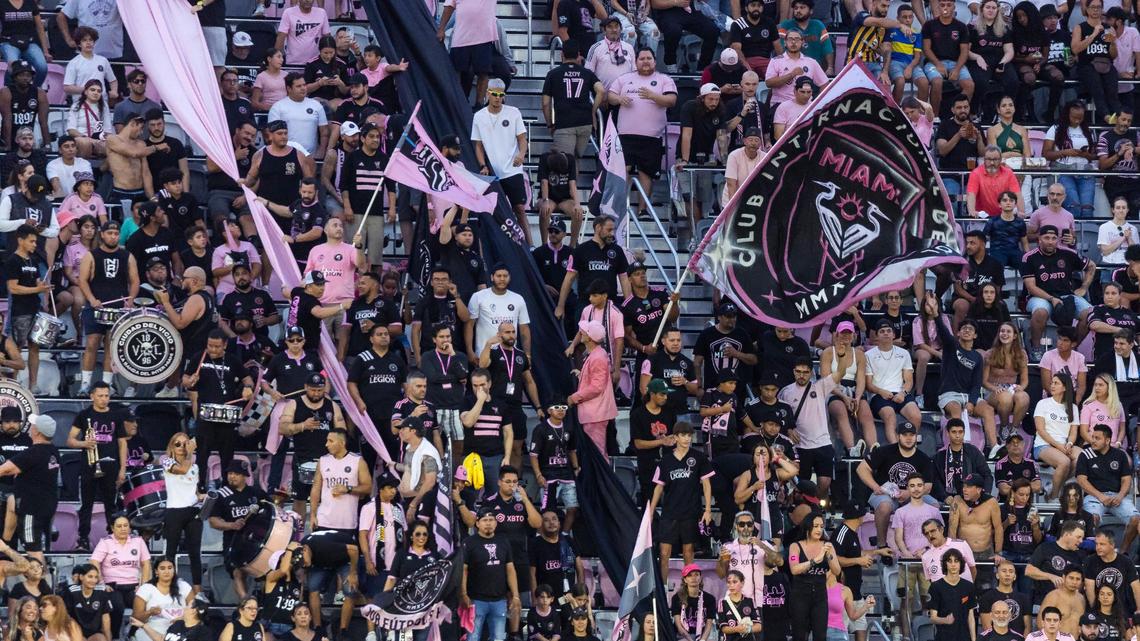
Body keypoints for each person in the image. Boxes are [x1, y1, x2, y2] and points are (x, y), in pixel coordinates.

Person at [605, 49, 677, 218]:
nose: (645, 61)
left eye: (649, 58)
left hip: (651, 137)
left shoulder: (664, 80)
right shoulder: (625, 79)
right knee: (623, 171)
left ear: (654, 61)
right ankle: (619, 206)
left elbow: (671, 101)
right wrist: (619, 99)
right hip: (625, 136)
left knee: (646, 173)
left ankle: (643, 209)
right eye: (642, 58)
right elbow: (610, 96)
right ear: (636, 61)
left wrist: (653, 96)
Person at [1022, 226, 1097, 358]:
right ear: (1039, 239)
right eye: (1046, 238)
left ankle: (1072, 348)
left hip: (1066, 295)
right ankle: (1036, 349)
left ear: (1058, 239)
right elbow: (1031, 287)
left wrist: (1084, 287)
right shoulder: (1029, 257)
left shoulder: (1068, 253)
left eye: (1053, 238)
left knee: (1090, 314)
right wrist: (1051, 299)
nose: (1050, 241)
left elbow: (1091, 266)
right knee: (1040, 312)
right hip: (1039, 296)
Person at [649, 422, 712, 578]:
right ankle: (663, 590)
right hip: (669, 512)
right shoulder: (666, 460)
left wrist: (708, 509)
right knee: (664, 553)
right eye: (683, 435)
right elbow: (658, 488)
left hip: (691, 511)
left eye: (689, 435)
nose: (687, 439)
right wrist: (651, 511)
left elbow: (706, 484)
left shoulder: (699, 457)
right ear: (675, 437)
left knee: (688, 551)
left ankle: (688, 588)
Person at [280, 373, 347, 518]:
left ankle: (323, 529)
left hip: (327, 459)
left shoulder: (332, 406)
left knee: (327, 497)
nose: (316, 394)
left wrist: (335, 441)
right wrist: (303, 425)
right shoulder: (294, 404)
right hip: (302, 458)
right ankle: (299, 532)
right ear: (305, 387)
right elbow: (282, 428)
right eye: (312, 390)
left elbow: (343, 432)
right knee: (299, 499)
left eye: (319, 390)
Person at [778, 357, 844, 500]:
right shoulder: (785, 392)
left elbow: (841, 372)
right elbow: (780, 416)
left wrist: (842, 356)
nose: (801, 375)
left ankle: (817, 508)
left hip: (823, 443)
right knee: (801, 485)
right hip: (799, 445)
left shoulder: (820, 386)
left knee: (825, 482)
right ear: (793, 372)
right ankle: (804, 511)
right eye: (798, 372)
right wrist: (788, 429)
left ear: (811, 372)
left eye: (805, 372)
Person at [0, 414, 56, 561]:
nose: (30, 427)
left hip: (32, 509)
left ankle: (41, 583)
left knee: (33, 552)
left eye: (33, 425)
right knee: (12, 501)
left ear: (37, 431)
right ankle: (4, 545)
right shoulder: (52, 451)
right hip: (46, 505)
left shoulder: (33, 453)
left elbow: (4, 470)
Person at [205, 461, 263, 600]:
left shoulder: (256, 493)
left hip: (257, 542)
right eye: (230, 473)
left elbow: (271, 511)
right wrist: (231, 525)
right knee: (237, 572)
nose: (232, 477)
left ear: (245, 476)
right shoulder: (221, 495)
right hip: (233, 543)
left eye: (236, 474)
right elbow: (213, 521)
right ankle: (246, 603)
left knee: (267, 571)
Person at [462, 508, 521, 641]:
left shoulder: (503, 541)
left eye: (491, 520)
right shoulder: (469, 543)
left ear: (496, 523)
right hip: (476, 600)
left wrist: (516, 595)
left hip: (499, 599)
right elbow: (463, 571)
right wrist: (463, 594)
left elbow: (510, 569)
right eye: (484, 520)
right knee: (473, 638)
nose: (488, 523)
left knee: (499, 638)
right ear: (477, 523)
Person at [1076, 424, 1139, 550]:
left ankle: (1123, 552)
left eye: (1097, 438)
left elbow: (1126, 480)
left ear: (1108, 440)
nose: (1093, 440)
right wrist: (1101, 496)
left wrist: (1120, 496)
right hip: (1094, 497)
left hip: (1117, 497)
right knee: (1091, 519)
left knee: (1136, 519)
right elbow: (1081, 480)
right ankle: (1094, 552)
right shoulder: (1085, 454)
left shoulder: (1120, 455)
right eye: (1092, 437)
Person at [542, 42, 604, 159]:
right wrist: (593, 111)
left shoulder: (553, 74)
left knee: (564, 164)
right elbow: (601, 90)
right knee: (574, 161)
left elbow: (545, 104)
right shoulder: (587, 73)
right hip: (585, 123)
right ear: (578, 55)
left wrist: (550, 124)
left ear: (562, 55)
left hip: (564, 123)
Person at [866, 319, 923, 444]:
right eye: (882, 331)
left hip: (900, 392)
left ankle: (909, 447)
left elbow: (908, 380)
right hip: (879, 395)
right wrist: (882, 392)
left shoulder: (904, 353)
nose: (886, 333)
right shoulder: (868, 355)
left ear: (893, 334)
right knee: (890, 417)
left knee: (916, 416)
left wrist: (902, 393)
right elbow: (869, 385)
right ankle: (895, 450)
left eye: (888, 331)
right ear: (877, 335)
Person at [789, 511, 842, 641]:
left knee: (820, 636)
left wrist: (829, 556)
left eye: (821, 526)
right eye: (816, 526)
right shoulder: (795, 546)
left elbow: (837, 571)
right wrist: (814, 561)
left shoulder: (827, 545)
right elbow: (794, 569)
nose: (819, 529)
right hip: (800, 595)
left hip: (819, 597)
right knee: (799, 635)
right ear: (808, 527)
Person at [922, 0, 975, 116]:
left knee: (969, 85)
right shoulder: (929, 25)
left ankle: (955, 115)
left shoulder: (961, 27)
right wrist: (938, 64)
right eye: (942, 5)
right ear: (938, 7)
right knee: (937, 82)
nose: (945, 8)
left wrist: (956, 69)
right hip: (933, 62)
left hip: (956, 63)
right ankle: (934, 117)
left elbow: (964, 51)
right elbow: (926, 49)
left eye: (949, 5)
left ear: (954, 7)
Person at [1074, 0, 1120, 123]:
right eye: (1093, 7)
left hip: (1106, 63)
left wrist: (1113, 43)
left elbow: (1114, 56)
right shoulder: (1080, 27)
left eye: (1099, 7)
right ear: (1087, 9)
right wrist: (1093, 34)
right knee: (1097, 88)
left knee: (1112, 91)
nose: (1096, 10)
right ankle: (1105, 115)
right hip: (1087, 64)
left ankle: (1119, 116)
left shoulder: (1109, 28)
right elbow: (1075, 49)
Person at [1083, 528, 1140, 615]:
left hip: (1121, 609)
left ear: (1112, 545)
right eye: (1096, 544)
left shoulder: (1126, 561)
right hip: (1099, 609)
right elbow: (1089, 588)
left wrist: (1139, 608)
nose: (1098, 547)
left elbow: (1136, 586)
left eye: (1102, 544)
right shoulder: (1090, 561)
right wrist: (1095, 611)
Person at [928, 548, 977, 641]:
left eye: (956, 561)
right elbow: (933, 618)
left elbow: (970, 617)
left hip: (964, 637)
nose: (953, 564)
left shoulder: (968, 586)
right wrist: (945, 620)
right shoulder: (936, 586)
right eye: (949, 561)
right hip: (943, 637)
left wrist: (973, 639)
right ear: (945, 564)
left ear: (961, 564)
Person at [1097, 109, 1140, 213]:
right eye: (1123, 119)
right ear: (1116, 119)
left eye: (1129, 121)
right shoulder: (1105, 138)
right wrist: (1119, 154)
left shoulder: (1135, 134)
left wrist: (1133, 149)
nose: (1126, 123)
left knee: (1134, 212)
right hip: (1114, 182)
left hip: (1134, 182)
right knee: (1119, 213)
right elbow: (1102, 165)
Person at [980, 559, 1032, 633]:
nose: (1007, 574)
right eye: (1004, 571)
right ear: (997, 575)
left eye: (1011, 571)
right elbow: (987, 627)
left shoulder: (1024, 598)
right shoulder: (987, 597)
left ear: (1015, 576)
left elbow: (1028, 627)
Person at [718, 569, 763, 641]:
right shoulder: (723, 602)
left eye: (735, 582)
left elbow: (758, 626)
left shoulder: (749, 601)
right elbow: (723, 628)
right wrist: (736, 629)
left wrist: (748, 629)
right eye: (729, 582)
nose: (731, 585)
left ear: (742, 583)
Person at [1099, 198, 1137, 267]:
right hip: (1109, 265)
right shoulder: (1104, 227)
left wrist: (1129, 238)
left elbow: (1136, 254)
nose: (1121, 210)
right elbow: (1104, 251)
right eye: (1118, 208)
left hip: (1128, 266)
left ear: (1127, 210)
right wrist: (1123, 238)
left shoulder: (1133, 229)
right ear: (1113, 210)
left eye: (1124, 208)